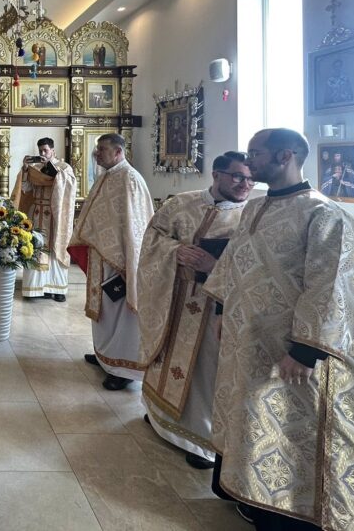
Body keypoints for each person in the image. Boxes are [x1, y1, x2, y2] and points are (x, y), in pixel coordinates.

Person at [204, 129, 354, 530]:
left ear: (285, 156)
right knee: (251, 418)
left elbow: (332, 284)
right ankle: (249, 494)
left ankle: (291, 513)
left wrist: (305, 350)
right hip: (248, 340)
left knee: (290, 427)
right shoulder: (254, 207)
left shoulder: (323, 213)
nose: (248, 162)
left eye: (255, 154)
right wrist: (222, 309)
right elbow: (236, 262)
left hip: (290, 349)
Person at [136, 151, 253, 470]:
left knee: (205, 371)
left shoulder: (250, 217)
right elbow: (152, 237)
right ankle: (159, 418)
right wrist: (175, 251)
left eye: (250, 178)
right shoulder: (181, 203)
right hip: (172, 297)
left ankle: (199, 440)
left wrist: (214, 265)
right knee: (165, 356)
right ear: (216, 175)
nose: (245, 184)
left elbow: (254, 265)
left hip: (213, 307)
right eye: (237, 176)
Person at [69, 133, 154, 390]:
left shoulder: (130, 179)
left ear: (118, 152)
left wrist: (130, 261)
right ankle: (105, 355)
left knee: (121, 313)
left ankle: (123, 368)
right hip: (102, 255)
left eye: (102, 149)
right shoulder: (107, 175)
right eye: (97, 149)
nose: (97, 154)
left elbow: (136, 226)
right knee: (105, 309)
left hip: (121, 260)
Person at [11, 137, 77, 302]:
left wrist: (54, 172)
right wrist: (25, 169)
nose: (42, 153)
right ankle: (36, 289)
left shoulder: (64, 168)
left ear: (53, 150)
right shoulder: (35, 169)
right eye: (40, 150)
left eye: (45, 150)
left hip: (56, 215)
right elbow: (26, 189)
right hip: (37, 213)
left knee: (56, 249)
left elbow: (68, 188)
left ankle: (57, 289)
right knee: (36, 249)